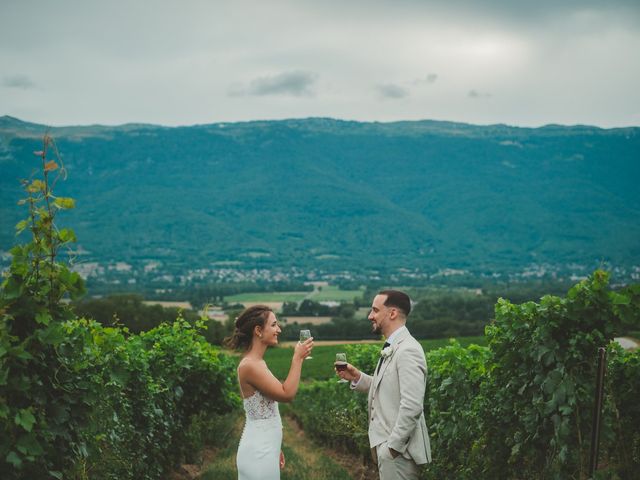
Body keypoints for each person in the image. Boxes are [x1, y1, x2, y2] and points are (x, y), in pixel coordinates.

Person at [336, 290, 431, 480]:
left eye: (375, 310)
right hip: (389, 451)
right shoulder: (393, 346)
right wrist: (357, 377)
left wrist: (392, 448)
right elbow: (387, 388)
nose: (370, 316)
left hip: (399, 453)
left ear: (392, 313)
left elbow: (412, 405)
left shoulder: (408, 350)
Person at [225, 305, 313, 480]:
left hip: (265, 449)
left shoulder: (257, 362)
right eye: (274, 325)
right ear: (258, 330)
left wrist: (275, 447)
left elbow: (267, 413)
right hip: (258, 452)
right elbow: (287, 394)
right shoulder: (250, 365)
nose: (278, 329)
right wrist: (297, 358)